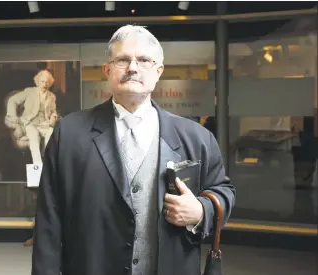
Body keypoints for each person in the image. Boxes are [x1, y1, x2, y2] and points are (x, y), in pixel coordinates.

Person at [32, 25, 236, 275]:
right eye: (122, 60)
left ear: (158, 71)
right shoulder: (69, 135)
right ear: (107, 70)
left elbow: (223, 190)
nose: (133, 68)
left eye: (144, 60)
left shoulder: (197, 137)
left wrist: (200, 211)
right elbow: (48, 221)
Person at [5, 70, 60, 164]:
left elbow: (53, 111)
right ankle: (38, 165)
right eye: (42, 81)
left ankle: (48, 164)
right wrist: (13, 117)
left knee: (51, 133)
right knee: (34, 136)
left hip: (44, 124)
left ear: (50, 83)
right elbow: (12, 100)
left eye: (47, 82)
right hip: (30, 123)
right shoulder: (29, 91)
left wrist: (53, 117)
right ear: (38, 81)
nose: (44, 84)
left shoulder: (52, 96)